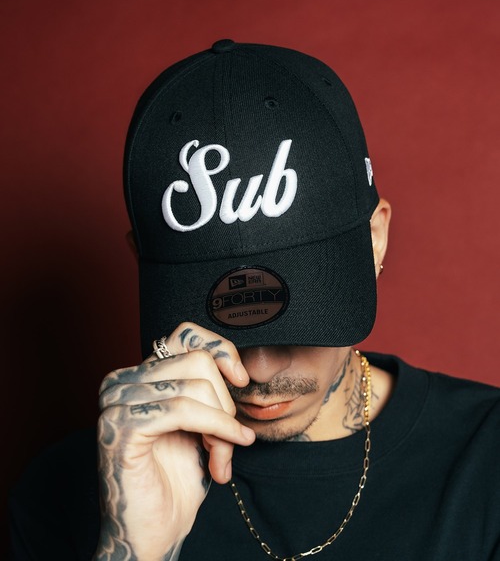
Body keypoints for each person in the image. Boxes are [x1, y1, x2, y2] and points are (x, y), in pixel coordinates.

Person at [9, 40, 500, 561]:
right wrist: (138, 549)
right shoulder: (62, 492)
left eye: (300, 316)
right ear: (142, 267)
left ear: (374, 241)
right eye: (224, 321)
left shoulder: (487, 460)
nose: (259, 371)